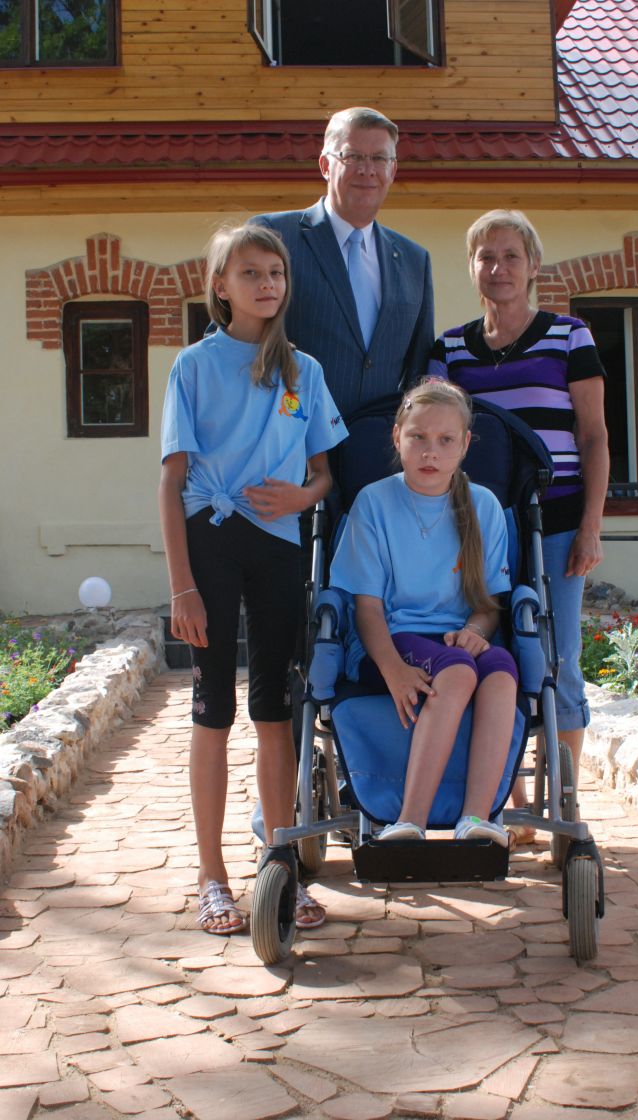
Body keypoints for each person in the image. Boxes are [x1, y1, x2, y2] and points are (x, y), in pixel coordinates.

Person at [159, 224, 347, 934]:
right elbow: (171, 482)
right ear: (220, 286)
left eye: (276, 272)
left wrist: (302, 496)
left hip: (277, 546)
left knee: (274, 708)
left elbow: (325, 473)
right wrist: (181, 586)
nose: (267, 284)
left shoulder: (305, 371)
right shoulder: (193, 366)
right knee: (213, 709)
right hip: (209, 544)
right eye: (250, 273)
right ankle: (212, 877)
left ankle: (281, 864)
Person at [428, 209, 609, 843]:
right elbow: (432, 430)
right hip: (474, 529)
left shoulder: (569, 336)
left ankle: (562, 802)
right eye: (486, 256)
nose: (498, 268)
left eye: (511, 256)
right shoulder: (449, 349)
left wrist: (591, 525)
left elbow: (593, 436)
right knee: (491, 651)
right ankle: (510, 797)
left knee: (556, 657)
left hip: (556, 524)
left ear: (532, 266)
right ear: (472, 267)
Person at [329, 381, 519, 845]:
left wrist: (476, 631)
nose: (430, 451)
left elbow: (488, 606)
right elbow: (367, 608)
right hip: (389, 640)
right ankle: (409, 820)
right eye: (418, 437)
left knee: (501, 668)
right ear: (397, 437)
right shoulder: (374, 502)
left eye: (445, 440)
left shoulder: (484, 507)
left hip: (455, 641)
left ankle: (476, 819)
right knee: (457, 671)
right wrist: (392, 669)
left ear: (465, 444)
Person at [250, 106, 434, 418]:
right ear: (325, 165)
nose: (367, 169)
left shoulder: (415, 260)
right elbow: (232, 342)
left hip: (378, 443)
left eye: (379, 158)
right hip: (291, 438)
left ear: (393, 170)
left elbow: (418, 370)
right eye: (353, 156)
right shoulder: (274, 236)